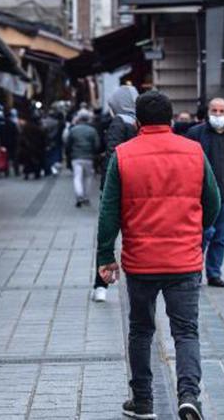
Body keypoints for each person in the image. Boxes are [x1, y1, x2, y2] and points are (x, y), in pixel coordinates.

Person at [97, 90, 219, 420]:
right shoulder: (194, 151)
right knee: (186, 332)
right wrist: (195, 230)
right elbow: (214, 201)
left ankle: (143, 400)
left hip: (140, 261)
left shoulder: (122, 155)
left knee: (140, 330)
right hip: (184, 260)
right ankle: (189, 395)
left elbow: (108, 211)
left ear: (137, 122)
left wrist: (105, 255)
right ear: (170, 119)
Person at [186, 97, 224, 288]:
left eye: (222, 111)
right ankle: (194, 272)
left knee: (220, 237)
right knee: (202, 236)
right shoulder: (195, 133)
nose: (218, 115)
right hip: (202, 197)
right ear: (208, 112)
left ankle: (214, 273)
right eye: (214, 111)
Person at [92, 85, 139, 303]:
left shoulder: (118, 122)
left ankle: (101, 284)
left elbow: (112, 155)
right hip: (138, 188)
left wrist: (106, 187)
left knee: (107, 236)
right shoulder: (140, 121)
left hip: (118, 186)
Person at [66, 111, 101, 208]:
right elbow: (97, 145)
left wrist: (69, 153)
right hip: (89, 157)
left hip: (76, 157)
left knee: (77, 176)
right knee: (88, 177)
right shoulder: (92, 130)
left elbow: (68, 144)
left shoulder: (73, 130)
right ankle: (86, 197)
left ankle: (79, 195)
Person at [18, 112, 47, 180]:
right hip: (37, 148)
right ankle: (37, 174)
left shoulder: (26, 127)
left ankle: (27, 174)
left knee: (28, 162)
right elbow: (43, 138)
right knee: (37, 162)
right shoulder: (39, 128)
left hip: (28, 148)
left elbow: (22, 137)